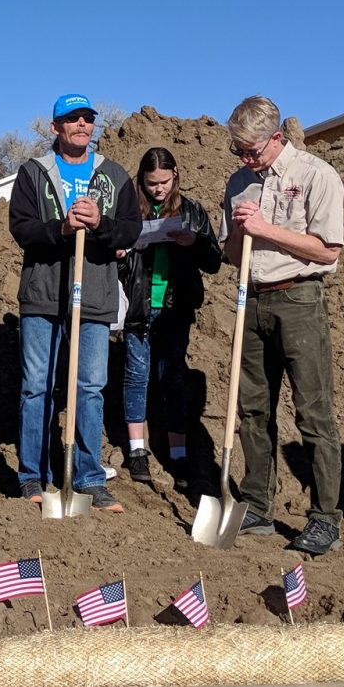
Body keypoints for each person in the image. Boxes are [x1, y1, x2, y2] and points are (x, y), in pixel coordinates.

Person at [222, 95, 344, 555]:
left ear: (276, 137)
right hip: (251, 299)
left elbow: (328, 250)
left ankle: (325, 518)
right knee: (253, 409)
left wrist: (265, 229)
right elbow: (231, 254)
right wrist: (240, 232)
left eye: (251, 151)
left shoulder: (316, 175)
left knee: (313, 411)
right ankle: (257, 503)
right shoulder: (239, 182)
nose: (245, 159)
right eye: (238, 151)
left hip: (298, 299)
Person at [9, 93, 142, 512]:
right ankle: (33, 475)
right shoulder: (33, 173)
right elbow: (22, 229)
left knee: (90, 389)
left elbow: (131, 229)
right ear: (55, 127)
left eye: (87, 118)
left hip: (95, 296)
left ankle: (88, 477)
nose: (82, 124)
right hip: (43, 296)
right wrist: (62, 229)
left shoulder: (113, 175)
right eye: (72, 119)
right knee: (37, 388)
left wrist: (100, 224)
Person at [117, 147, 222, 491]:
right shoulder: (130, 211)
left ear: (175, 175)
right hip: (138, 305)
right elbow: (113, 257)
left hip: (176, 307)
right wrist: (122, 251)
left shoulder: (191, 211)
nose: (158, 189)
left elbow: (213, 261)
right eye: (151, 183)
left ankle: (178, 454)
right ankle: (137, 450)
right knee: (136, 374)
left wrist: (194, 241)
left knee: (172, 378)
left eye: (164, 182)